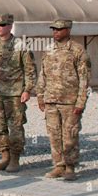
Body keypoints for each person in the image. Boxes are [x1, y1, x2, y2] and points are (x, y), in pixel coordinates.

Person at [37, 19, 91, 181]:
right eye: (54, 29)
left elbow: (85, 79)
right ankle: (58, 165)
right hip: (51, 100)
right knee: (54, 134)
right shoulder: (48, 50)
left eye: (59, 29)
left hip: (70, 101)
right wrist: (40, 95)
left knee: (70, 134)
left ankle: (70, 167)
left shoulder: (78, 51)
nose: (56, 32)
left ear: (68, 30)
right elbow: (43, 74)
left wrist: (81, 102)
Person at [0, 13, 36, 173]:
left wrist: (27, 90)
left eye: (3, 25)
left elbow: (30, 70)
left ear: (10, 26)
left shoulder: (20, 45)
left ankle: (15, 159)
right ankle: (4, 156)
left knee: (16, 127)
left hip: (14, 94)